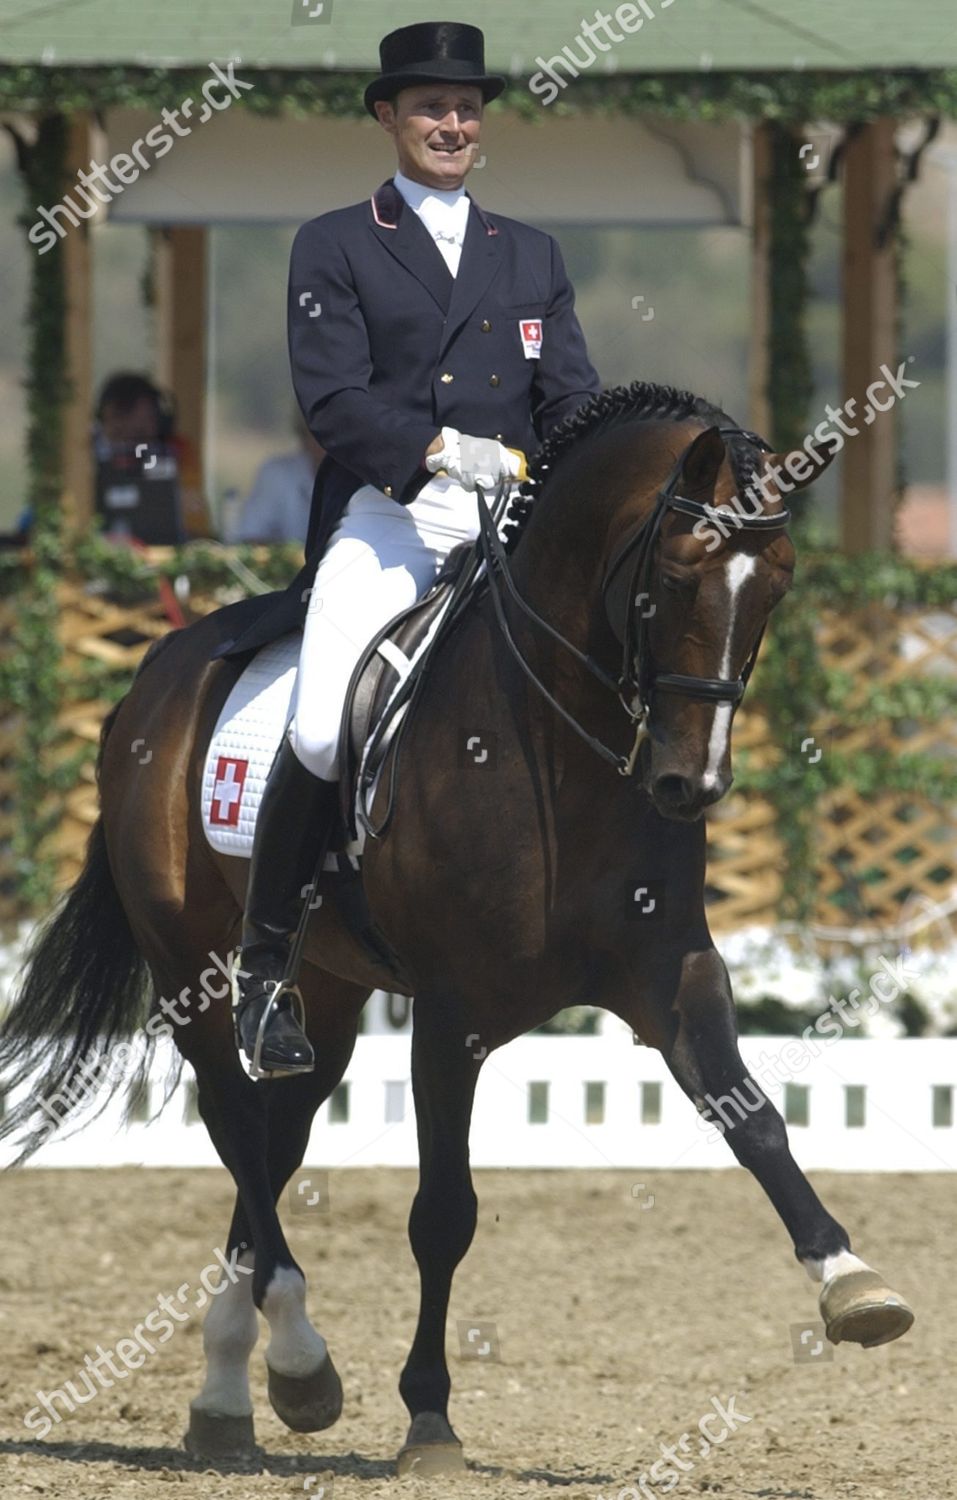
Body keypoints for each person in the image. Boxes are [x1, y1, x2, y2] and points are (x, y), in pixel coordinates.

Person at [230, 20, 601, 1076]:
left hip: (509, 519)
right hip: (391, 514)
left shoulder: (530, 254)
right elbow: (333, 400)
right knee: (314, 729)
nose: (452, 123)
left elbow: (570, 399)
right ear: (389, 118)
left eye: (467, 108)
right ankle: (262, 974)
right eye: (431, 107)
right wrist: (442, 448)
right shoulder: (337, 242)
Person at [93, 372, 211, 540]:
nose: (130, 442)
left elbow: (199, 530)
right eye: (121, 420)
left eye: (141, 431)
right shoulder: (81, 452)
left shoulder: (176, 453)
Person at [231, 412, 324, 544]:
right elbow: (251, 536)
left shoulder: (360, 475)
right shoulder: (277, 473)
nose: (322, 441)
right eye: (314, 432)